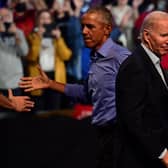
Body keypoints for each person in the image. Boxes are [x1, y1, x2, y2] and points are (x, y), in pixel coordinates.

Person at [19, 6, 131, 167]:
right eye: (83, 26)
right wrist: (51, 84)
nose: (84, 31)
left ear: (107, 29)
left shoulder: (122, 57)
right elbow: (87, 93)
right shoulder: (96, 57)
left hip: (120, 137)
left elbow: (141, 95)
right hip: (102, 136)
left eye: (90, 27)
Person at [115, 11, 168, 168]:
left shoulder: (154, 62)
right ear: (146, 36)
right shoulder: (134, 67)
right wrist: (162, 152)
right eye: (164, 35)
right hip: (140, 159)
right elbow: (133, 119)